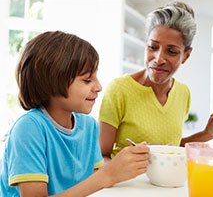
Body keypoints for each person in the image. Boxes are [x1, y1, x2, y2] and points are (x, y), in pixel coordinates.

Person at [0, 31, 149, 196]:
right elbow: (100, 179)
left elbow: (93, 186)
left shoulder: (89, 125)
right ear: (52, 81)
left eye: (96, 77)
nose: (98, 86)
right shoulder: (29, 128)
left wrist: (127, 165)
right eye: (87, 80)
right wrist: (108, 175)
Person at [99, 1, 213, 159]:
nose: (159, 59)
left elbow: (170, 149)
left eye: (172, 51)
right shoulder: (119, 89)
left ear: (186, 56)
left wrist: (207, 134)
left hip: (169, 183)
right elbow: (100, 157)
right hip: (126, 183)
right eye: (153, 47)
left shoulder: (183, 93)